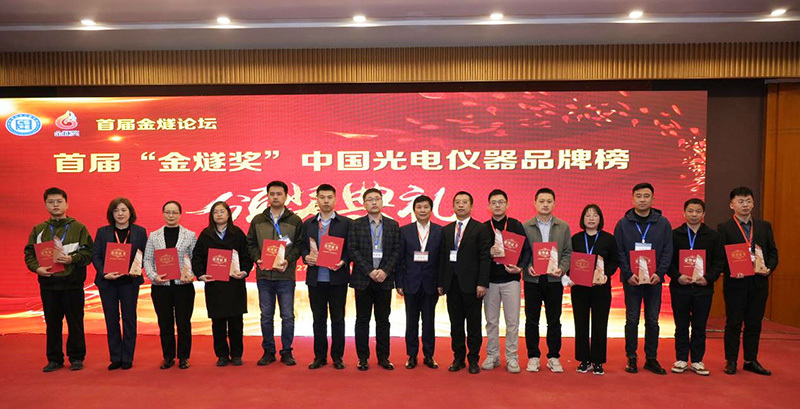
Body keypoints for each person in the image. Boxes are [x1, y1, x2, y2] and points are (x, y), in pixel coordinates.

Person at [24, 187, 93, 372]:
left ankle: (76, 357)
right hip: (49, 285)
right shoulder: (39, 230)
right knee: (52, 324)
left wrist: (72, 259)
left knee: (75, 323)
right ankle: (54, 359)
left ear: (66, 204)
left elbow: (88, 253)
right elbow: (29, 254)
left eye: (59, 201)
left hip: (73, 284)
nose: (55, 205)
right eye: (51, 202)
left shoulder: (79, 228)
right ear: (46, 205)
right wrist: (37, 268)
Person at [718, 186, 778, 376]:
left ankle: (750, 360)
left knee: (754, 323)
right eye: (740, 201)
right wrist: (732, 271)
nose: (745, 205)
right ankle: (731, 360)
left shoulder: (764, 226)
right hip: (736, 283)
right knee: (734, 322)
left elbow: (773, 252)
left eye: (748, 201)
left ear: (753, 203)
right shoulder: (724, 227)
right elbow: (720, 257)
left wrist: (769, 268)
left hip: (759, 282)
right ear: (732, 205)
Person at [614, 182, 673, 375]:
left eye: (646, 196)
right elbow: (619, 251)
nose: (642, 200)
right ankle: (631, 357)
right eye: (638, 196)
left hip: (654, 281)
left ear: (653, 199)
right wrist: (628, 274)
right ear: (632, 199)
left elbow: (668, 250)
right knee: (632, 320)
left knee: (653, 320)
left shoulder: (663, 223)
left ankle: (651, 358)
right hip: (632, 281)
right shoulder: (623, 224)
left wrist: (660, 274)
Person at [246, 181, 304, 366]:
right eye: (272, 194)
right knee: (266, 316)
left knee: (287, 316)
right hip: (264, 276)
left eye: (279, 194)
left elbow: (299, 245)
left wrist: (289, 260)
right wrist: (257, 258)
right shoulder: (258, 220)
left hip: (285, 276)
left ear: (286, 196)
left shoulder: (295, 220)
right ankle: (268, 351)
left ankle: (287, 351)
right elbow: (250, 244)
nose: (276, 197)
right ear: (268, 196)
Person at [667, 198, 724, 376]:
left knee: (699, 326)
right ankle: (682, 359)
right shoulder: (674, 235)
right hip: (680, 288)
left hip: (703, 289)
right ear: (684, 213)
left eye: (698, 211)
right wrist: (677, 276)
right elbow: (667, 260)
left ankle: (698, 360)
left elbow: (719, 262)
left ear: (703, 214)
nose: (694, 215)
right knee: (681, 326)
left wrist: (708, 278)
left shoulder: (713, 236)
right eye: (690, 211)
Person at [192, 201, 253, 366]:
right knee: (218, 322)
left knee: (235, 322)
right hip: (215, 284)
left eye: (222, 211)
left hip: (234, 284)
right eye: (215, 212)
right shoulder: (206, 235)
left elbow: (247, 256)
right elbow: (197, 257)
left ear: (228, 214)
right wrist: (200, 275)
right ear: (211, 215)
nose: (219, 214)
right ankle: (222, 355)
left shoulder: (237, 233)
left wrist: (244, 271)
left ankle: (237, 354)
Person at [439, 191, 492, 375]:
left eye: (464, 202)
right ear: (453, 206)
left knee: (474, 325)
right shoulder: (447, 230)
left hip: (473, 286)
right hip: (452, 284)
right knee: (456, 324)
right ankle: (458, 358)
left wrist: (482, 283)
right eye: (457, 202)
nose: (461, 205)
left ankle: (474, 359)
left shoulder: (481, 229)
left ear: (471, 206)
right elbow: (442, 258)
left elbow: (485, 258)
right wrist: (441, 282)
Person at [347, 188, 401, 371]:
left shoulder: (393, 225)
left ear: (382, 202)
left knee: (383, 320)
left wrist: (385, 271)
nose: (374, 202)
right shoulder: (356, 224)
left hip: (384, 279)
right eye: (369, 199)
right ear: (364, 204)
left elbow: (397, 250)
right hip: (363, 280)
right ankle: (363, 358)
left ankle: (384, 357)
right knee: (362, 320)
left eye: (377, 199)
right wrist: (370, 271)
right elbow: (352, 250)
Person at [92, 197, 148, 370]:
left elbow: (145, 255)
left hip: (129, 282)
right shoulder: (103, 232)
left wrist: (136, 268)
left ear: (130, 212)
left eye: (124, 210)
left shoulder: (140, 232)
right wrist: (104, 273)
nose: (120, 214)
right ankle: (116, 357)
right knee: (112, 319)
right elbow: (96, 256)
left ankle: (128, 357)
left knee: (129, 319)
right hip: (108, 282)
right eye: (116, 211)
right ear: (111, 214)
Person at [300, 184, 351, 370]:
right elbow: (302, 246)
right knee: (318, 319)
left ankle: (337, 356)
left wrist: (343, 261)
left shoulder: (346, 223)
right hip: (316, 279)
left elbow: (351, 248)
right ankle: (319, 357)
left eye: (329, 197)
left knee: (338, 319)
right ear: (317, 200)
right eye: (322, 197)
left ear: (335, 199)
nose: (326, 201)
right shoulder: (308, 224)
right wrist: (305, 257)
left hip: (337, 279)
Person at [522, 187, 572, 373]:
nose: (545, 204)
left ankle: (553, 357)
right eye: (541, 201)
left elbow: (567, 252)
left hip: (554, 280)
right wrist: (528, 266)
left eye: (549, 201)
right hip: (532, 280)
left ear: (554, 204)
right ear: (535, 203)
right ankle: (533, 356)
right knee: (531, 320)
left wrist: (562, 268)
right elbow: (523, 252)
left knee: (554, 320)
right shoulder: (525, 226)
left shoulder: (563, 226)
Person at [143, 200, 197, 370]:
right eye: (168, 212)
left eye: (174, 212)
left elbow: (195, 259)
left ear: (180, 214)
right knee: (165, 322)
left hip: (183, 286)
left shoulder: (190, 235)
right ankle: (168, 357)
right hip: (161, 286)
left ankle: (183, 357)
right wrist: (154, 276)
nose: (171, 215)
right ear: (163, 214)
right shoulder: (154, 236)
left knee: (183, 322)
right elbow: (147, 259)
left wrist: (191, 274)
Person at [482, 189, 531, 374]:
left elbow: (527, 250)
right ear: (488, 206)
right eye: (494, 202)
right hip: (490, 281)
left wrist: (520, 267)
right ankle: (492, 355)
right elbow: (477, 254)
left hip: (511, 280)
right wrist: (488, 252)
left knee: (512, 322)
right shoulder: (483, 228)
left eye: (501, 202)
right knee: (491, 322)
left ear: (507, 205)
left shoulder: (516, 225)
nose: (497, 205)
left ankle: (512, 357)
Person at [570, 204, 619, 375]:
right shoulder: (575, 239)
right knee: (581, 323)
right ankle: (583, 360)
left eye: (595, 215)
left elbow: (614, 261)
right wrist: (569, 276)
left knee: (600, 324)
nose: (591, 218)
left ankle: (598, 361)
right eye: (588, 215)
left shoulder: (608, 239)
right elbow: (569, 260)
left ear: (600, 219)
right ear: (582, 219)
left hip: (601, 288)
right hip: (579, 288)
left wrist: (606, 274)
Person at [396, 195, 443, 370]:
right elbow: (400, 259)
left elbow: (442, 260)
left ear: (431, 210)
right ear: (414, 210)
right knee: (411, 321)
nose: (422, 210)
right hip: (411, 283)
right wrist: (399, 282)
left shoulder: (440, 231)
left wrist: (441, 283)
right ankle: (412, 355)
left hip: (431, 283)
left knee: (429, 321)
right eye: (419, 207)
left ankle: (429, 356)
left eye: (426, 207)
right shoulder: (404, 231)